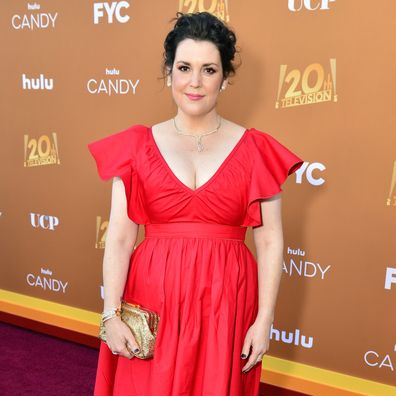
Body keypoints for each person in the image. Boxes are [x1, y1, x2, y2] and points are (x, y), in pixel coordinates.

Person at [87, 11, 304, 396]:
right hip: (152, 299)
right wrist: (111, 314)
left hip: (226, 302)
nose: (195, 82)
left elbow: (270, 242)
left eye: (209, 70)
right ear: (168, 71)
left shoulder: (256, 150)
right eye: (185, 67)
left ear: (225, 78)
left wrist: (264, 320)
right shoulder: (136, 146)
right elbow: (120, 238)